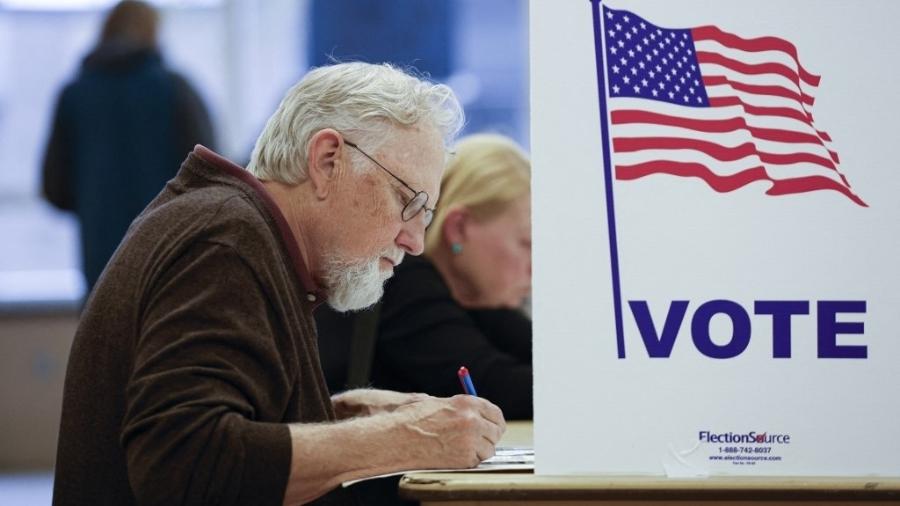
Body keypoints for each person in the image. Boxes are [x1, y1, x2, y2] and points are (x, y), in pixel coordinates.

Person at [52, 62, 506, 506]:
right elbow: (185, 463)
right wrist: (401, 439)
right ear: (328, 161)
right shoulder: (226, 241)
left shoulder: (239, 231)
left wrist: (340, 416)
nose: (415, 242)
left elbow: (222, 423)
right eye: (407, 202)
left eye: (425, 217)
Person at [317, 134, 533, 419]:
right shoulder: (400, 280)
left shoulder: (472, 294)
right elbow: (500, 388)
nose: (534, 267)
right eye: (526, 244)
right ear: (458, 228)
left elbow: (545, 354)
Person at [41, 0, 215, 294]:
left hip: (101, 266)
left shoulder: (73, 96)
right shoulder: (176, 90)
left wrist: (96, 201)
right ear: (153, 33)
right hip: (170, 260)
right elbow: (211, 179)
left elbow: (54, 189)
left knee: (104, 337)